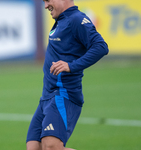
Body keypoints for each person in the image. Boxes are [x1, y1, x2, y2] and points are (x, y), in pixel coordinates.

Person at [26, 0, 109, 149]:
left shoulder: (76, 19)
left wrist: (71, 66)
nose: (45, 6)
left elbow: (101, 47)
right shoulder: (61, 20)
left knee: (51, 146)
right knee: (34, 147)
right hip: (46, 97)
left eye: (47, 0)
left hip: (63, 95)